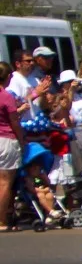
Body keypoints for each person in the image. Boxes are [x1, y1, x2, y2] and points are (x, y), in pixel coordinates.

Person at [0, 62, 25, 232]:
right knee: (4, 182)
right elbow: (14, 122)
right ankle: (1, 220)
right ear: (8, 77)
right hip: (6, 139)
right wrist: (22, 140)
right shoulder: (6, 96)